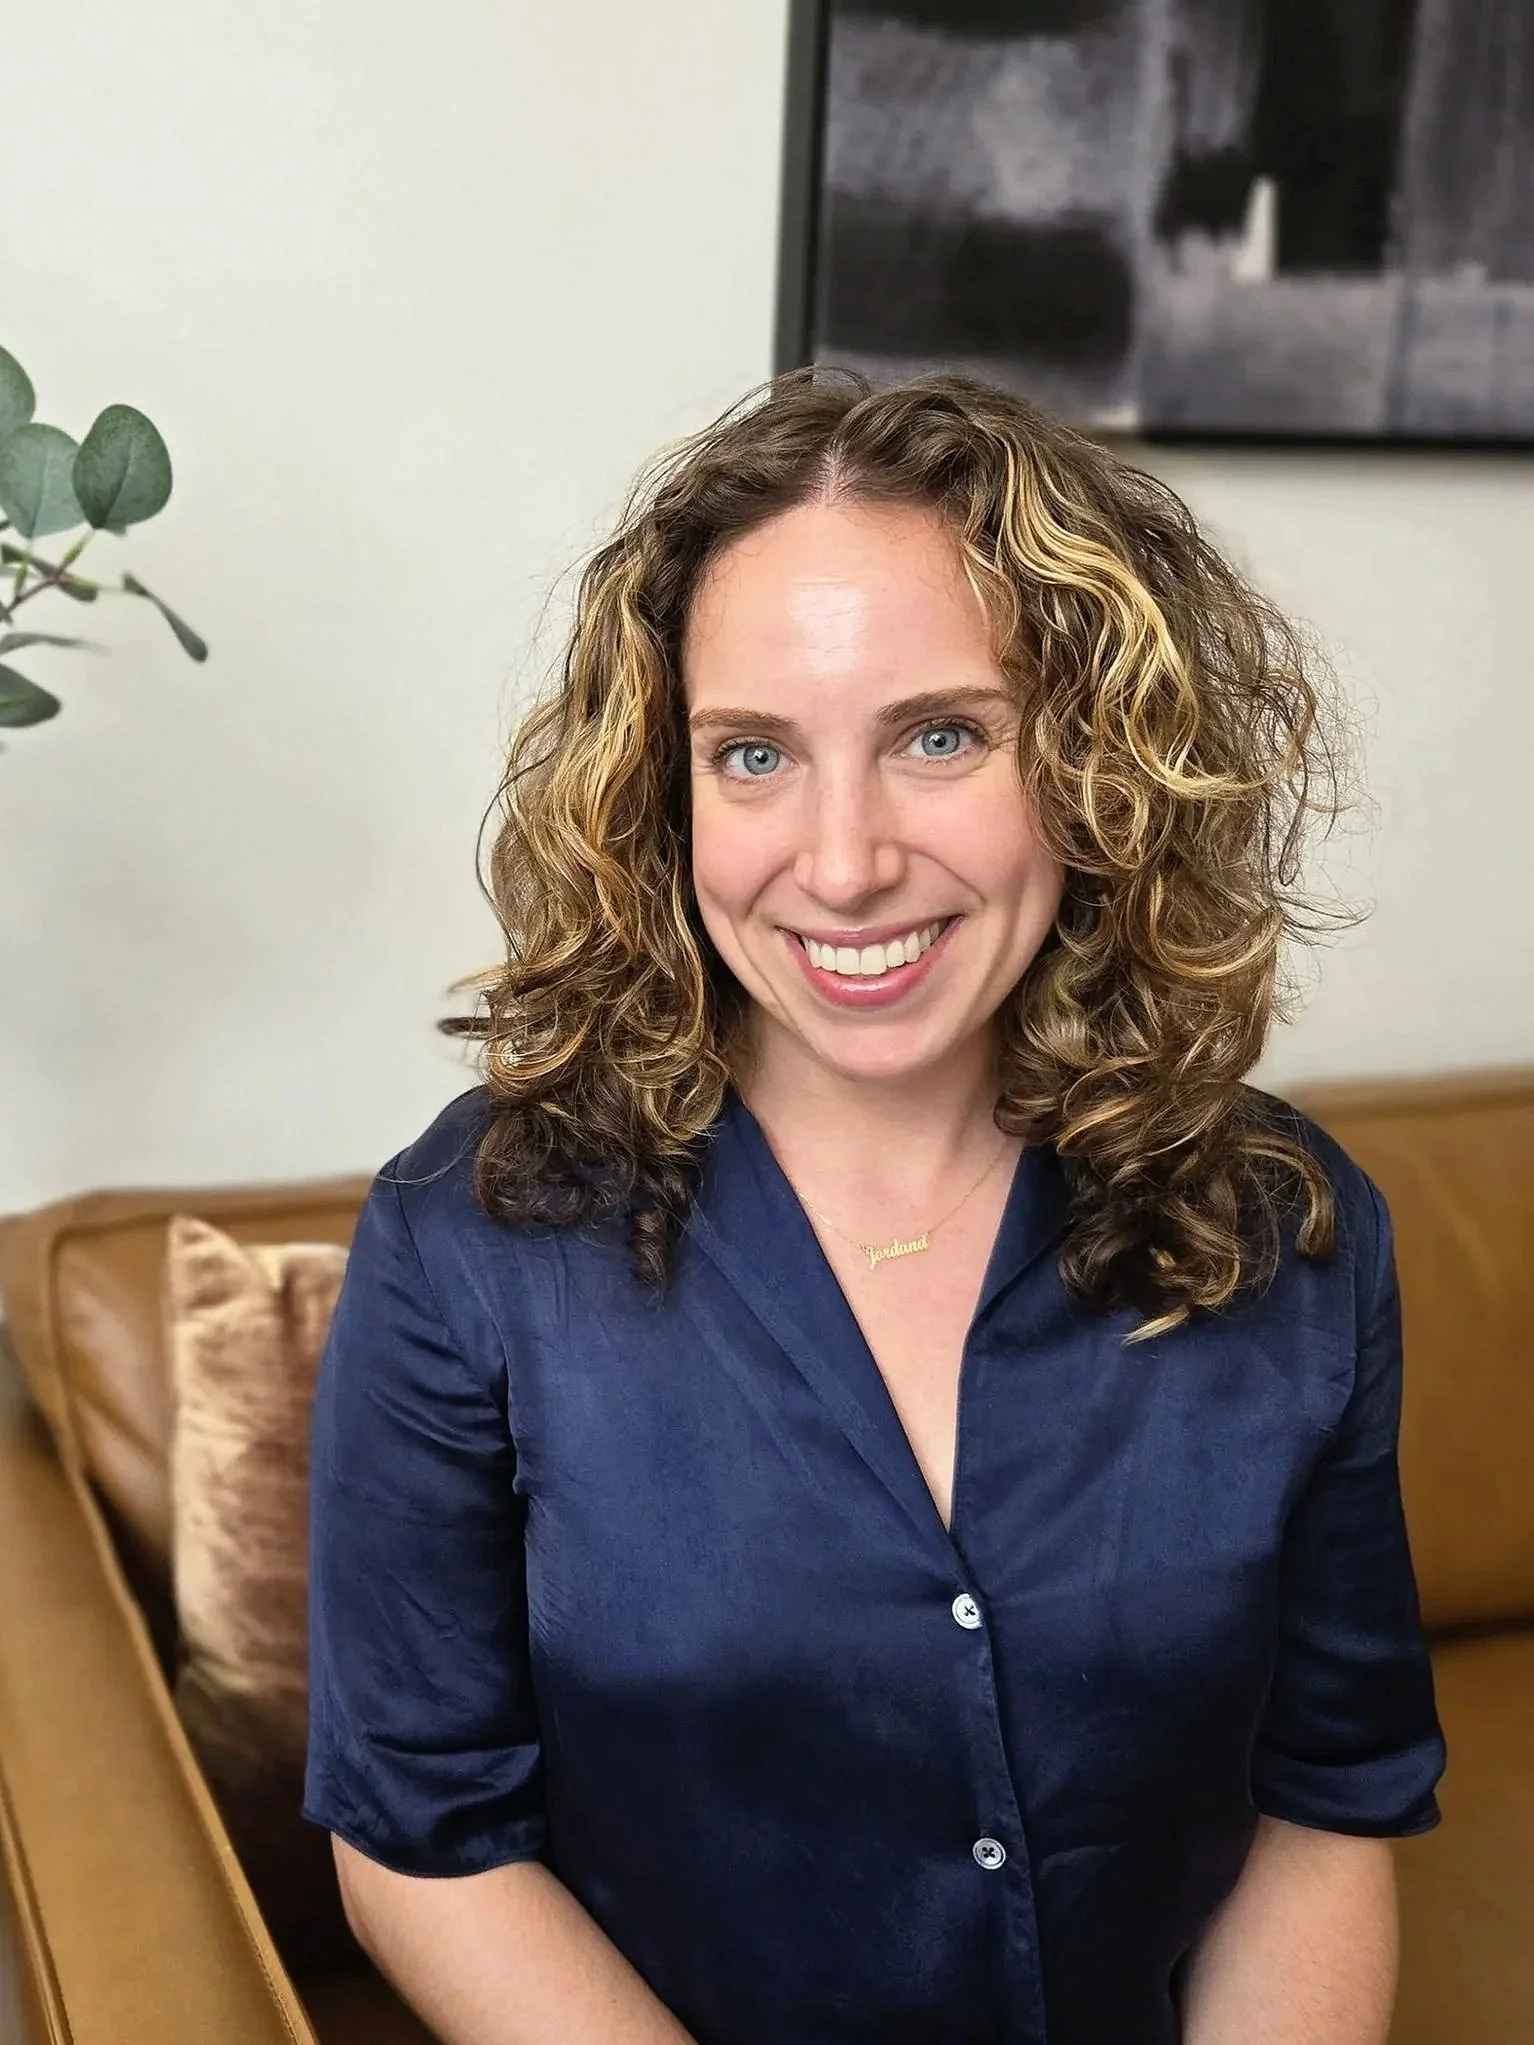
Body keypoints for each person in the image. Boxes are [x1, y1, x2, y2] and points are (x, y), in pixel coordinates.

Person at [302, 367, 1445, 2045]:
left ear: (1095, 758)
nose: (841, 864)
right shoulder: (468, 1240)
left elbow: (1323, 1793)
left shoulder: (1285, 1228)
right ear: (661, 792)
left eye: (939, 736)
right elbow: (425, 1842)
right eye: (753, 754)